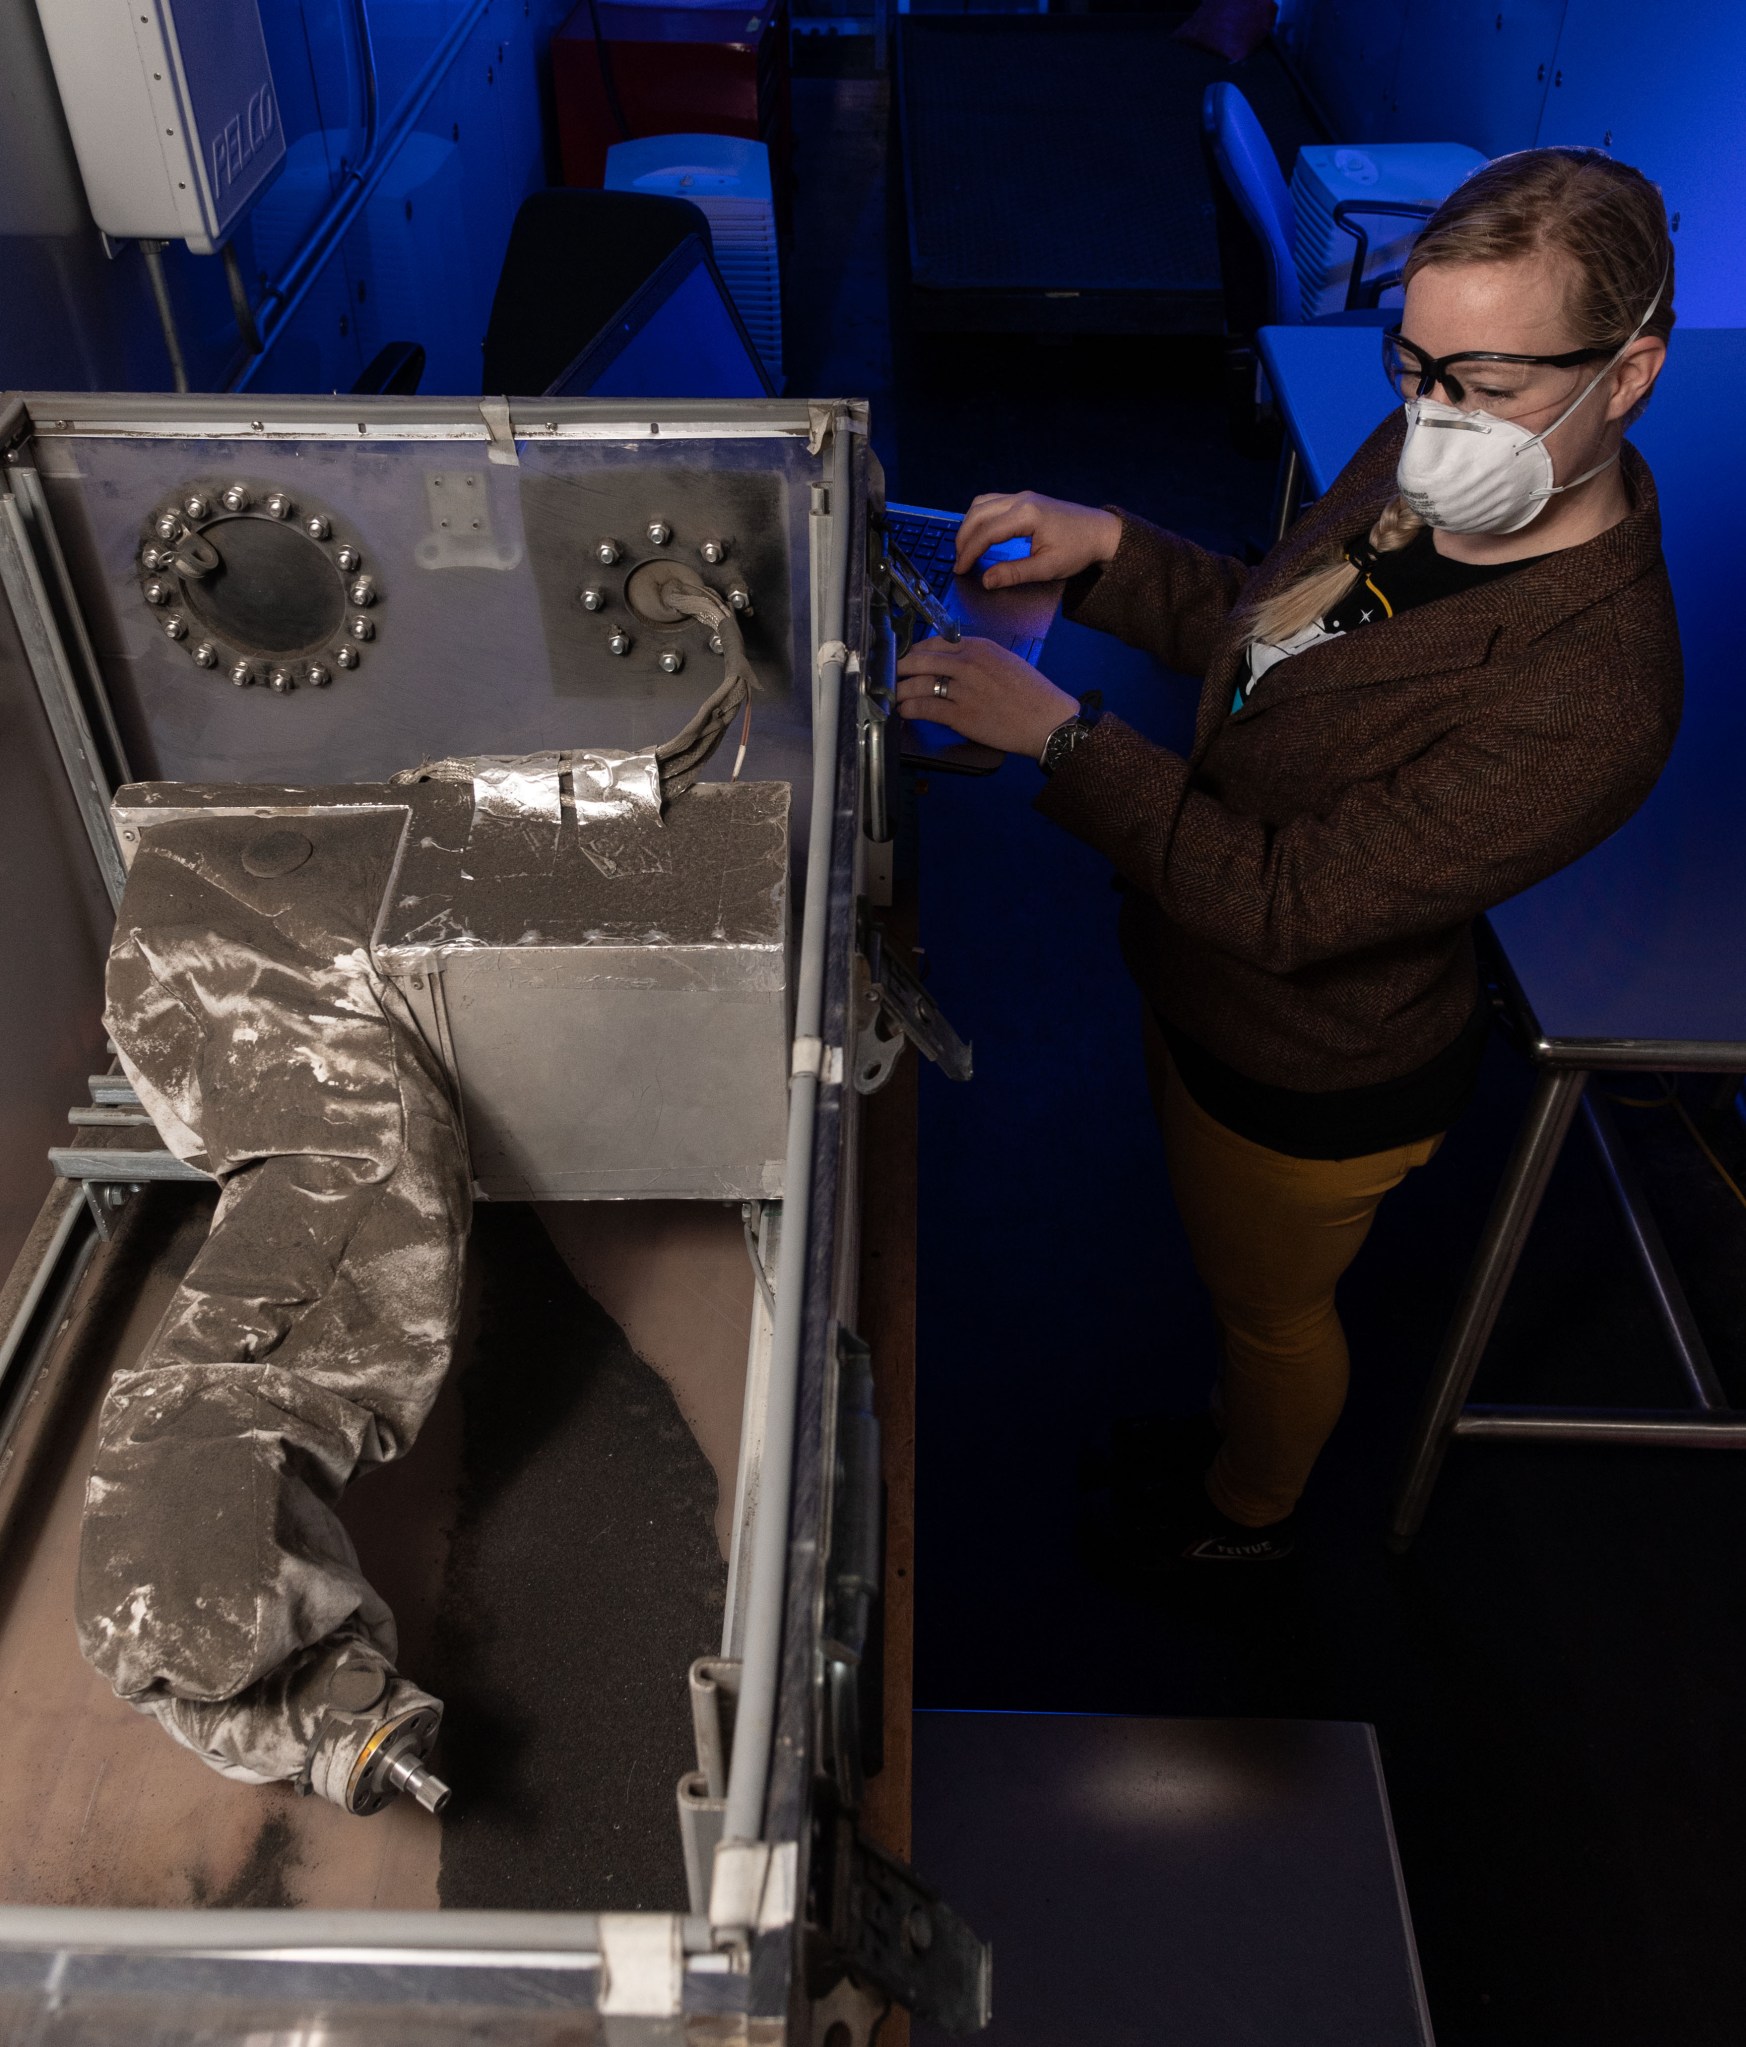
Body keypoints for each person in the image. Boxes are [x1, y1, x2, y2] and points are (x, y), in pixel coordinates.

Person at [893, 149, 1682, 1563]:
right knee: (1224, 1264)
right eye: (1412, 367)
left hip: (1309, 1069)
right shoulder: (1438, 454)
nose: (1432, 419)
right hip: (1195, 981)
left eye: (1487, 387)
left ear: (1624, 375)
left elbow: (1289, 901)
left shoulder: (1594, 693)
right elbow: (1273, 632)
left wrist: (1062, 739)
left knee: (1269, 1312)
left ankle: (1244, 1511)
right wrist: (1108, 551)